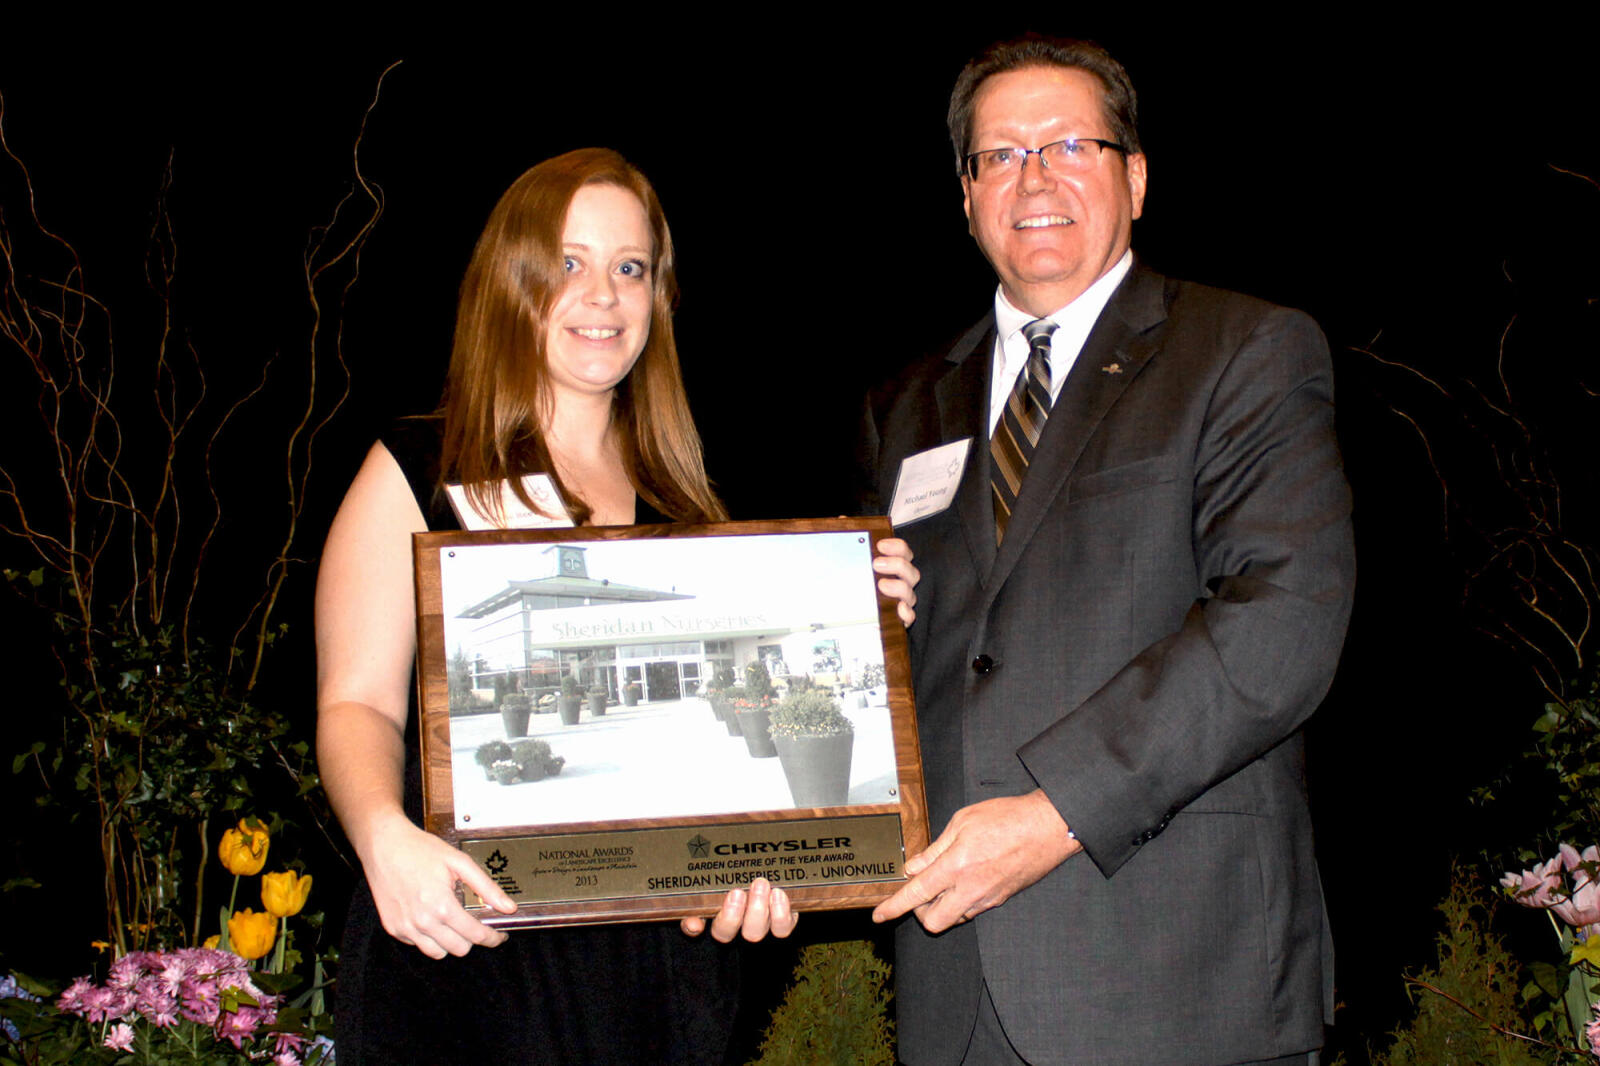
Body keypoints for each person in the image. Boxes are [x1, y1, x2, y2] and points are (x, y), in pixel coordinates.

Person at [316, 148, 916, 1063]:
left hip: (654, 987)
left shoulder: (692, 515)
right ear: (511, 283)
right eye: (569, 263)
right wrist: (382, 839)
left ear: (657, 301)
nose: (602, 294)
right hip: (463, 957)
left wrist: (864, 617)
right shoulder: (414, 472)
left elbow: (738, 791)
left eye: (629, 268)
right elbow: (356, 704)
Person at [859, 36, 1355, 1066]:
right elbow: (894, 681)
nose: (1032, 176)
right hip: (957, 992)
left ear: (1134, 176)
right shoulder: (905, 406)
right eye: (999, 155)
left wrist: (1053, 815)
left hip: (1179, 974)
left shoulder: (1243, 349)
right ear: (965, 196)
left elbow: (1283, 621)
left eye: (1069, 145)